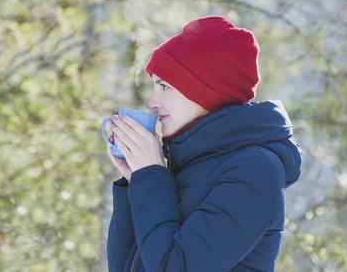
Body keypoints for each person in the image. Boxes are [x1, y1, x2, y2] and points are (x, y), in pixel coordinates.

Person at [105, 16, 302, 272]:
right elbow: (125, 267)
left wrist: (151, 176)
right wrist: (137, 181)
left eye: (164, 86)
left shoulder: (255, 170)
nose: (153, 102)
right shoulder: (187, 165)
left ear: (206, 90)